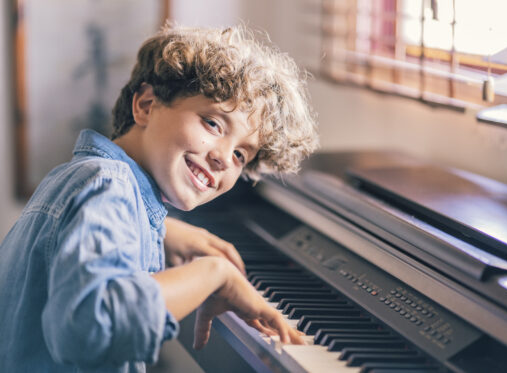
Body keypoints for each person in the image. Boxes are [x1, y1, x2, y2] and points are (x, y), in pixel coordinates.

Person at [0, 23, 319, 372]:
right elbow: (91, 329)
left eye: (241, 155)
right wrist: (214, 274)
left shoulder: (91, 179)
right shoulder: (108, 186)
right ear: (146, 105)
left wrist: (159, 230)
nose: (225, 158)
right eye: (213, 124)